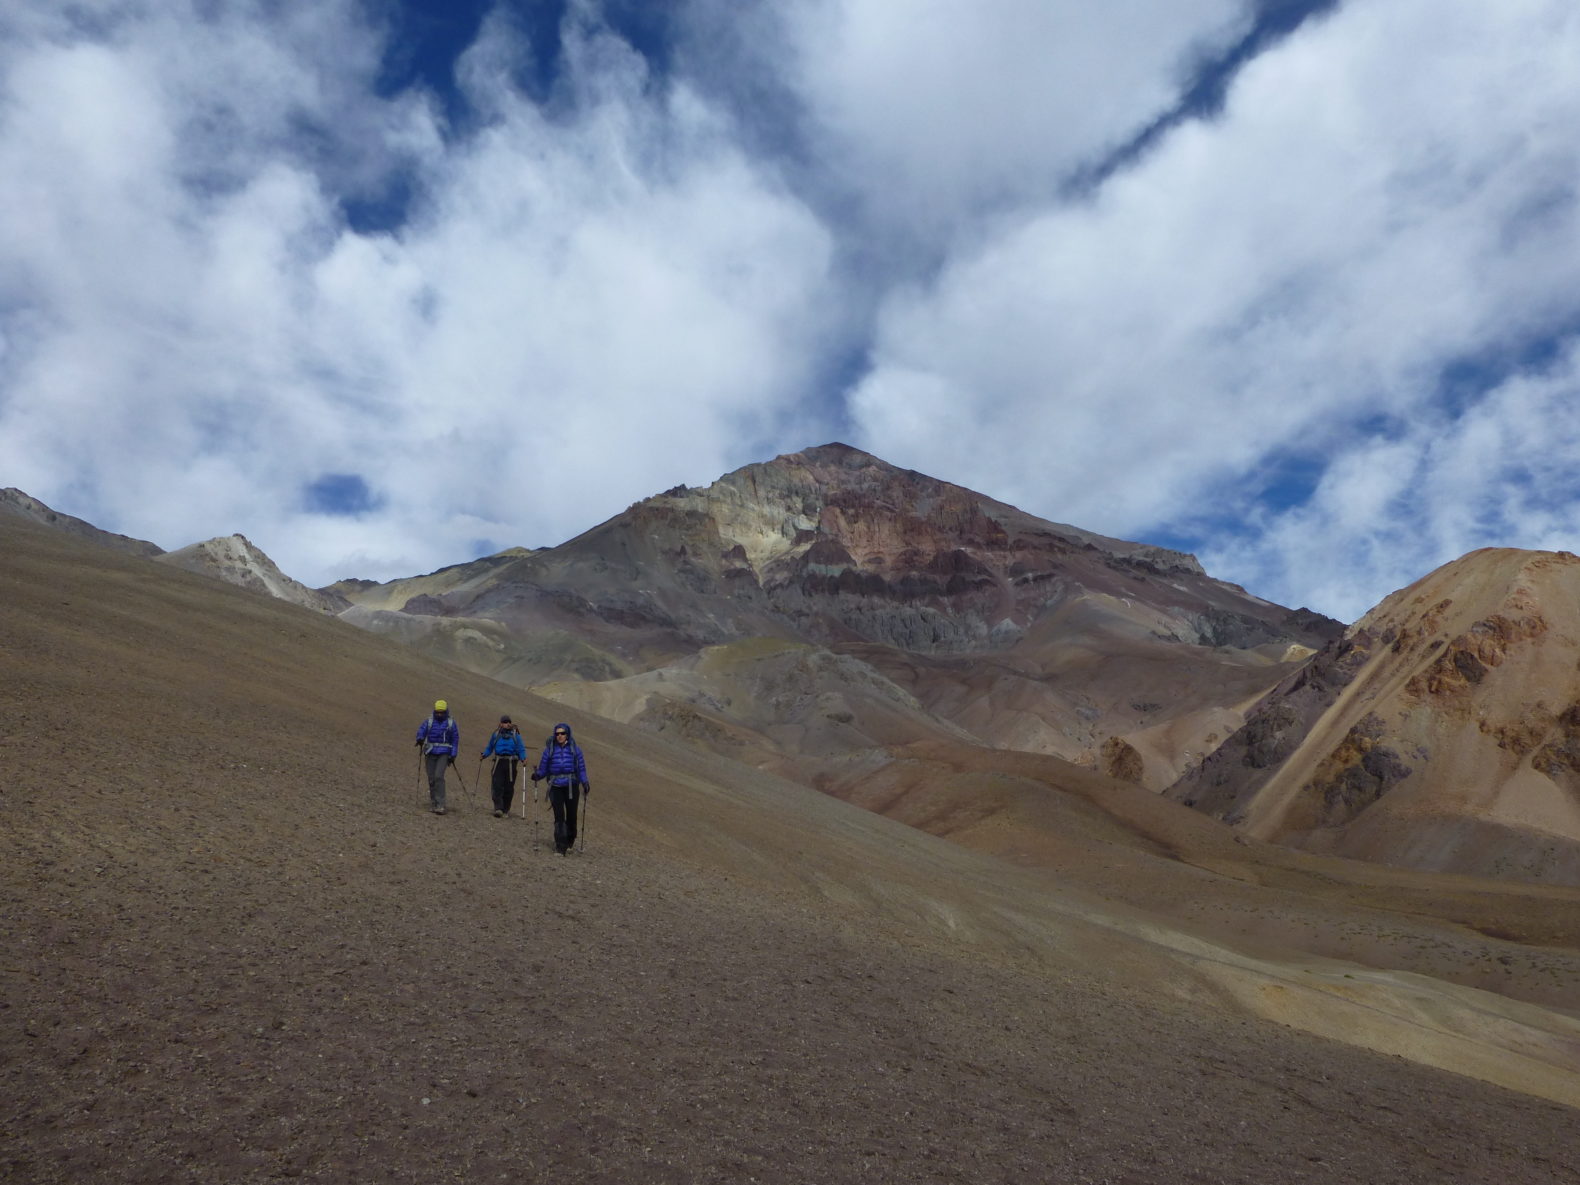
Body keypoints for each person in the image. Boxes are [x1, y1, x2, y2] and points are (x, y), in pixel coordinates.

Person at [531, 721, 590, 854]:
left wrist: (585, 782)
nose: (560, 736)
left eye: (562, 733)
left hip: (571, 786)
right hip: (555, 786)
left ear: (567, 734)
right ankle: (560, 845)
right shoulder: (549, 750)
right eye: (557, 734)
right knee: (559, 816)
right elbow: (543, 768)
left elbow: (581, 769)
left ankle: (570, 840)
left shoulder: (575, 749)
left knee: (571, 816)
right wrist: (537, 775)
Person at [414, 699, 459, 815]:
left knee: (439, 776)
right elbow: (421, 730)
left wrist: (453, 755)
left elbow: (455, 740)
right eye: (438, 712)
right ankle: (434, 803)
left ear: (446, 711)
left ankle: (440, 805)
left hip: (444, 753)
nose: (439, 714)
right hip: (430, 751)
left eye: (442, 712)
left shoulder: (451, 723)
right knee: (431, 778)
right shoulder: (429, 721)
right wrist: (420, 738)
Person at [480, 715, 529, 817]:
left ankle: (506, 809)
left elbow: (521, 749)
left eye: (508, 722)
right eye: (505, 722)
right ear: (501, 723)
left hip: (511, 764)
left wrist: (523, 758)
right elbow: (490, 747)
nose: (507, 724)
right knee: (497, 785)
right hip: (498, 762)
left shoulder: (516, 736)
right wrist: (484, 755)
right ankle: (498, 808)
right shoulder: (496, 735)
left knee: (509, 788)